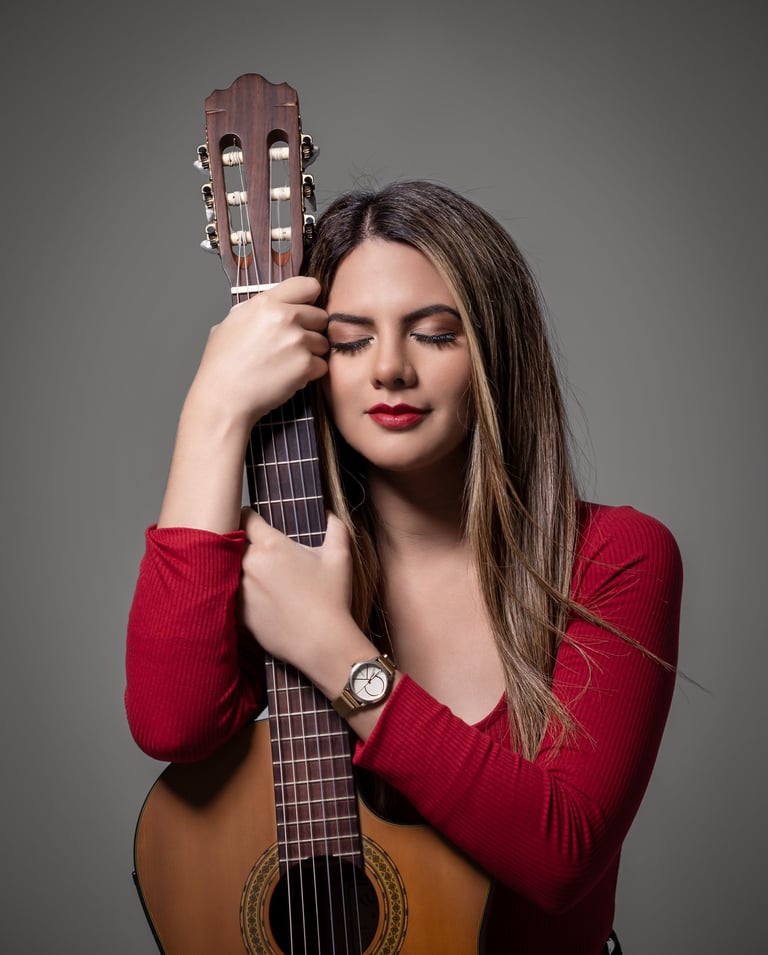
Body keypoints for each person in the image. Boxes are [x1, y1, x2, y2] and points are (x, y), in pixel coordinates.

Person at [126, 180, 682, 954]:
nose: (389, 369)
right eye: (351, 341)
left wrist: (332, 646)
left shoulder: (615, 556)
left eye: (434, 334)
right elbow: (170, 723)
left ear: (494, 350)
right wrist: (213, 409)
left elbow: (562, 855)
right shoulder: (283, 560)